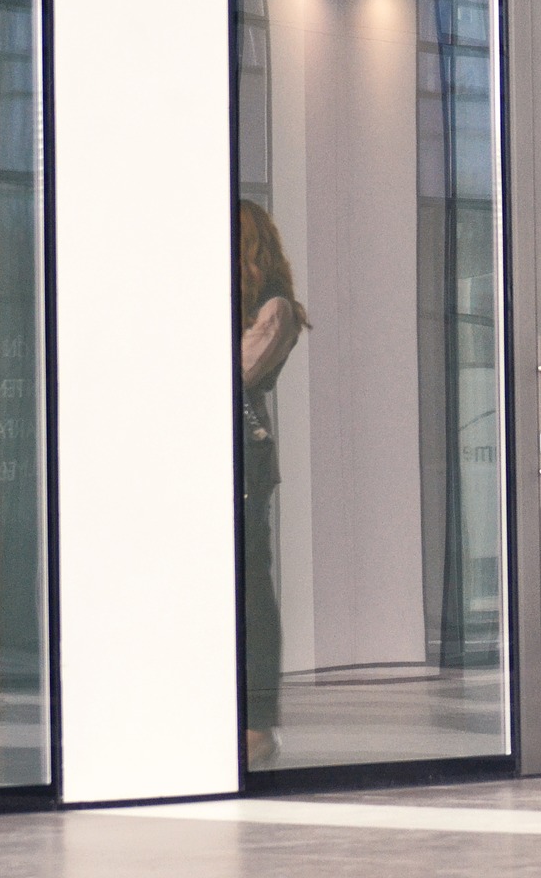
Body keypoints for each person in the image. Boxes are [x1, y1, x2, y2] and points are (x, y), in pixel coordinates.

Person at [238, 199, 307, 769]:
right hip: (213, 456)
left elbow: (234, 373)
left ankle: (258, 719)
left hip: (244, 460)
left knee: (251, 588)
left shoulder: (275, 310)